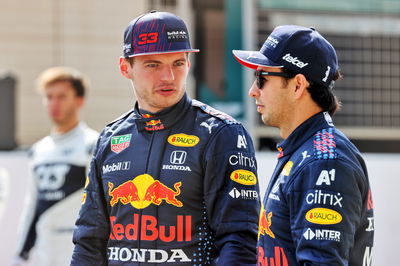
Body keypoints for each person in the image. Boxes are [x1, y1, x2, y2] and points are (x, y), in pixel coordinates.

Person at [71, 10, 260, 266]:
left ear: (189, 64)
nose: (168, 77)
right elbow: (89, 241)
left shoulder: (220, 133)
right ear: (125, 68)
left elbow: (239, 241)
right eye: (153, 65)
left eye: (177, 63)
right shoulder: (110, 138)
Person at [233, 25, 374, 265]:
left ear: (298, 85)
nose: (252, 91)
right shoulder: (305, 151)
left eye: (262, 79)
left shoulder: (324, 161)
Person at [13, 67, 98, 266]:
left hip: (78, 250)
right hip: (45, 251)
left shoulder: (93, 143)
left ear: (79, 100)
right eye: (49, 97)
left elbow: (99, 205)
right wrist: (21, 252)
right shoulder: (38, 150)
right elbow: (32, 206)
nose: (54, 103)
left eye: (61, 96)